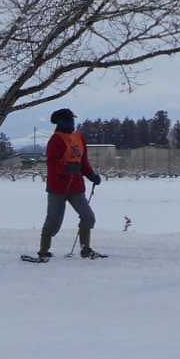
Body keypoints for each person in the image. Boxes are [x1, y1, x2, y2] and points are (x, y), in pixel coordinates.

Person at [35, 108, 103, 261]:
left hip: (76, 186)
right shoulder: (56, 139)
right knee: (53, 221)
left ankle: (86, 249)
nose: (71, 122)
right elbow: (52, 163)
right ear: (60, 122)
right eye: (68, 120)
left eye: (72, 119)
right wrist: (66, 168)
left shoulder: (79, 137)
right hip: (57, 187)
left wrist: (91, 175)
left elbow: (83, 161)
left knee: (88, 217)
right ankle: (43, 251)